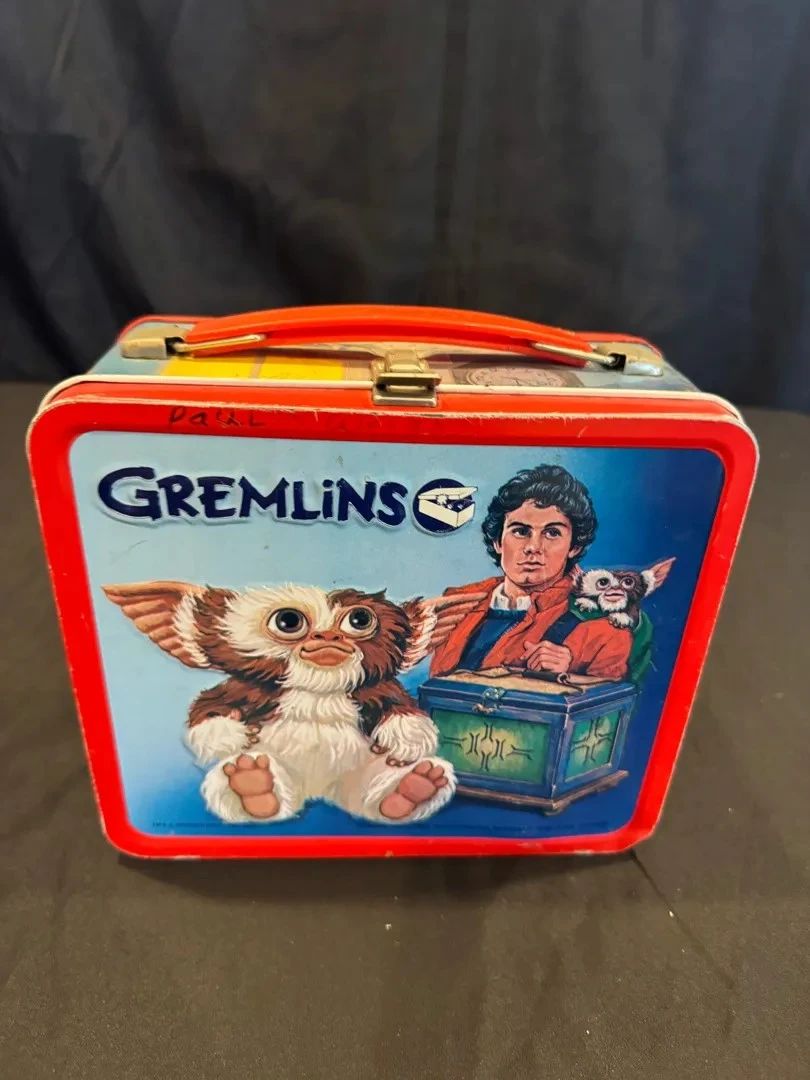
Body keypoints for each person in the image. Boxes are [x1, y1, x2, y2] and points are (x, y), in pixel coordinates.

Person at [429, 465, 633, 680]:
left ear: (574, 547)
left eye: (552, 533)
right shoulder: (456, 603)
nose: (533, 547)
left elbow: (614, 698)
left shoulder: (604, 626)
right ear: (498, 541)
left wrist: (569, 674)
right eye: (520, 531)